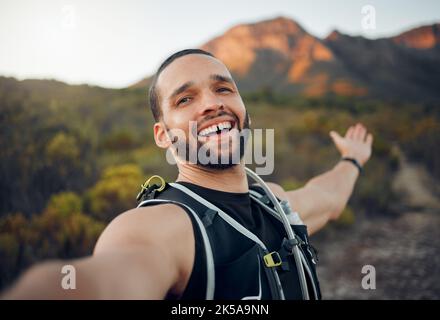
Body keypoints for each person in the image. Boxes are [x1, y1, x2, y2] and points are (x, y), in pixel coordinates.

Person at [2, 49, 373, 300]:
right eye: (185, 99)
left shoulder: (272, 201)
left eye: (222, 88)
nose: (213, 103)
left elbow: (329, 198)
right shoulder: (159, 228)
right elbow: (106, 279)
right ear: (163, 135)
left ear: (243, 109)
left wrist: (352, 160)